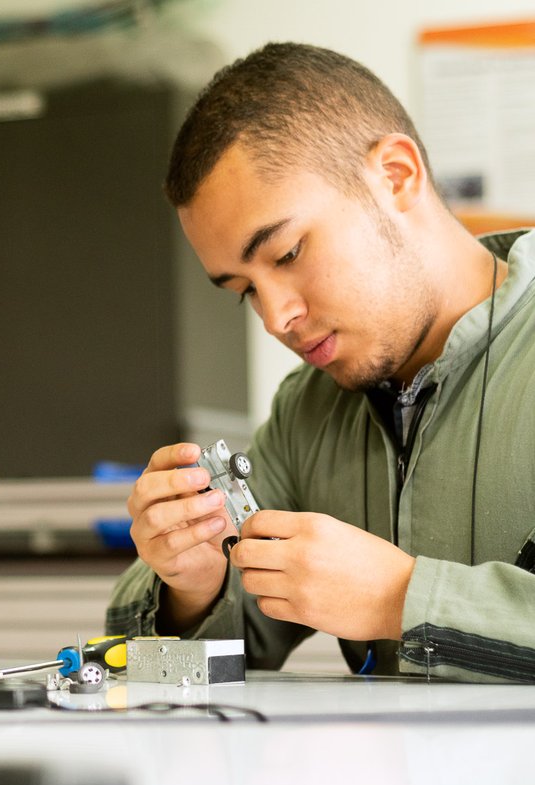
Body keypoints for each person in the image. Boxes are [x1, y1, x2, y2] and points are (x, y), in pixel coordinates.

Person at [106, 42, 535, 682]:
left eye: (285, 254)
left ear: (395, 175)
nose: (276, 317)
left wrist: (399, 600)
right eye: (245, 290)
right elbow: (143, 663)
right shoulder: (307, 411)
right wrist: (190, 585)